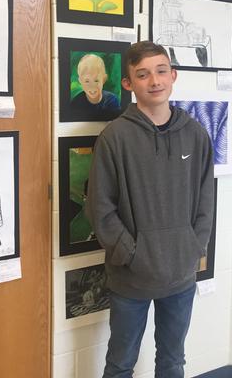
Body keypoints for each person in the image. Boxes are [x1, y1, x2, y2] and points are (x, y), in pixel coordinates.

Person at [86, 40, 214, 378]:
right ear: (128, 84)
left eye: (160, 71)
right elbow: (100, 207)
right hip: (131, 278)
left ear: (173, 76)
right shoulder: (115, 137)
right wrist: (132, 254)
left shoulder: (196, 135)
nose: (154, 81)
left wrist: (193, 248)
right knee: (120, 364)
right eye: (142, 75)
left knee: (173, 362)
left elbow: (205, 202)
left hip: (181, 276)